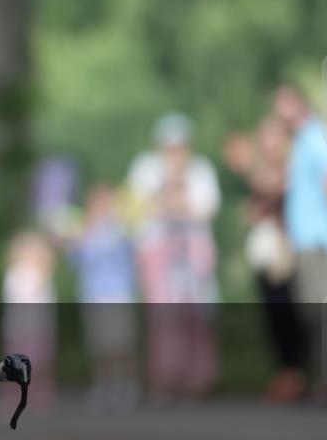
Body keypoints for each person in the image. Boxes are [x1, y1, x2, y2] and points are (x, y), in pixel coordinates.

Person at [127, 112, 221, 401]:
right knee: (163, 319)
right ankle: (164, 379)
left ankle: (198, 380)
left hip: (192, 252)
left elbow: (205, 208)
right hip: (159, 252)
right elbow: (137, 208)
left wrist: (176, 201)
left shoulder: (200, 169)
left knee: (196, 317)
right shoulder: (145, 168)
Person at [272, 85, 327, 401]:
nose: (279, 114)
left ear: (298, 104)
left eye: (283, 106)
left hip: (322, 239)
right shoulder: (301, 142)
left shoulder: (317, 136)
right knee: (314, 314)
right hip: (306, 241)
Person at [223, 118, 305, 403]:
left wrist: (249, 169)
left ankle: (295, 374)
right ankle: (285, 371)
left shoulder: (293, 167)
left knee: (292, 312)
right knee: (274, 316)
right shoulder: (265, 170)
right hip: (265, 252)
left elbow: (276, 193)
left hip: (288, 250)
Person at [67, 184, 139, 411]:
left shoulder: (122, 230)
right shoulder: (83, 231)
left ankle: (126, 384)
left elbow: (130, 253)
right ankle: (103, 383)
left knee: (122, 343)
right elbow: (74, 261)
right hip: (93, 294)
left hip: (118, 293)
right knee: (99, 344)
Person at [2, 231, 57, 409]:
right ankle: (18, 395)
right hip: (19, 328)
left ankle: (38, 394)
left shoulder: (43, 276)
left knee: (39, 363)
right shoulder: (15, 275)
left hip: (37, 328)